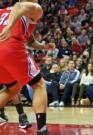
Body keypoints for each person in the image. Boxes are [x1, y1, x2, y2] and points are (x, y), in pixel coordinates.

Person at [0, 1, 52, 134]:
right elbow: (19, 6)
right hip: (9, 47)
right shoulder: (34, 8)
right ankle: (42, 129)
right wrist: (10, 27)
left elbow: (31, 41)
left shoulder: (3, 12)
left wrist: (44, 46)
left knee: (13, 88)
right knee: (39, 84)